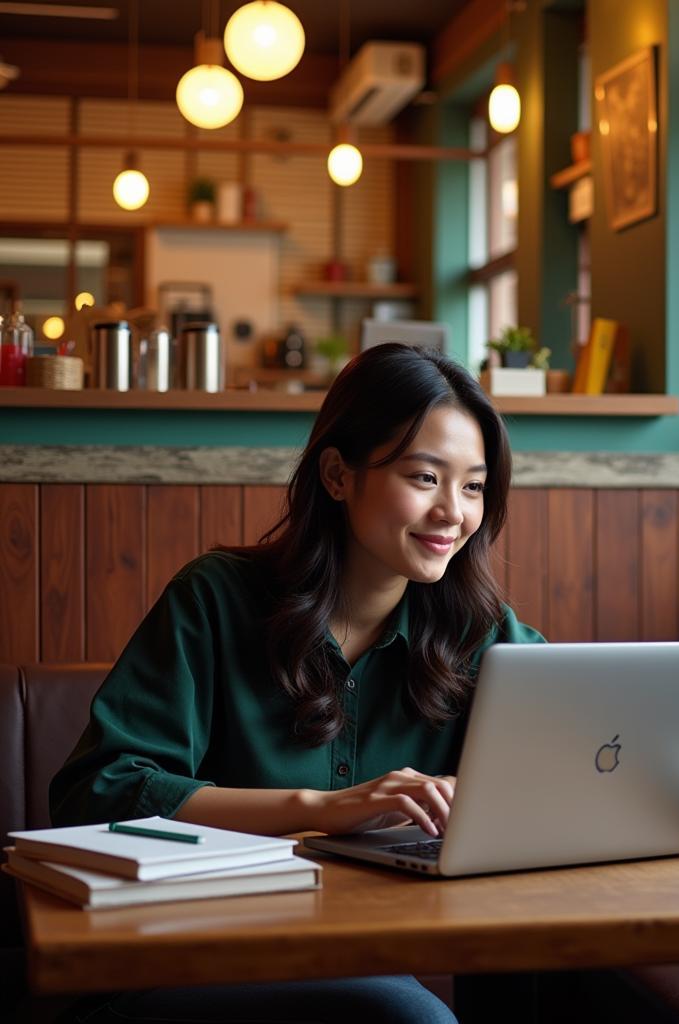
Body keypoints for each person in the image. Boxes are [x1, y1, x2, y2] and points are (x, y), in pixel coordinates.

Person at [50, 342, 545, 1024]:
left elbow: (573, 753)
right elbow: (95, 792)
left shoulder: (478, 632)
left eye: (473, 486)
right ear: (338, 476)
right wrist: (324, 807)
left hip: (362, 959)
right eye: (426, 478)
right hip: (188, 954)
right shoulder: (216, 598)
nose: (454, 513)